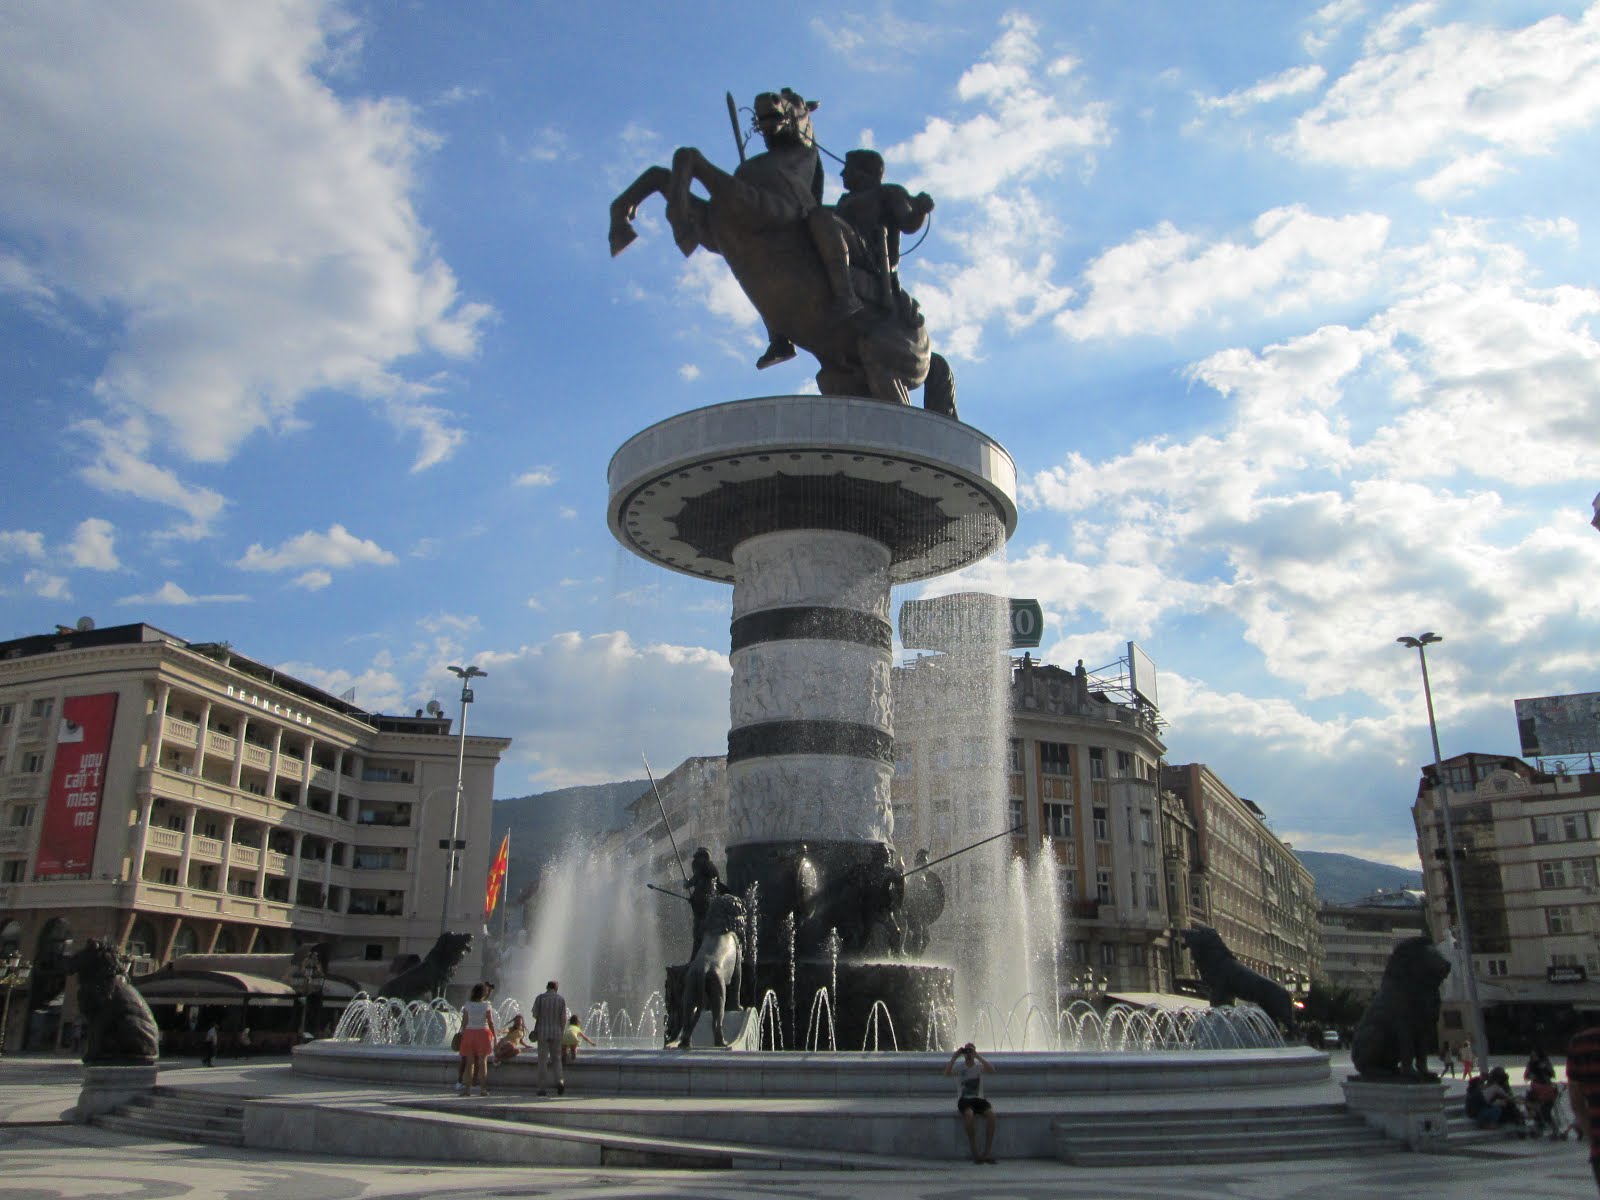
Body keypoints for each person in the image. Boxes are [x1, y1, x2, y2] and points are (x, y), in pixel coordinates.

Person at [758, 149, 934, 369]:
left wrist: (920, 211)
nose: (842, 174)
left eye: (848, 168)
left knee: (820, 216)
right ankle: (779, 336)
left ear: (864, 172)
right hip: (844, 249)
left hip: (868, 257)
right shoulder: (845, 201)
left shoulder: (888, 193)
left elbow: (908, 223)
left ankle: (846, 296)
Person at [943, 1041, 997, 1164]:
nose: (968, 1054)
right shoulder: (960, 1067)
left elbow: (992, 1070)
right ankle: (975, 1152)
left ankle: (987, 1153)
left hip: (979, 1099)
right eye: (966, 1051)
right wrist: (954, 1057)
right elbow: (946, 1073)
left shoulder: (979, 1067)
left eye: (970, 1051)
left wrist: (977, 1056)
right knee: (969, 1114)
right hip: (964, 1100)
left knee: (992, 1116)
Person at [455, 982, 497, 1097]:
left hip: (469, 1034)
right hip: (483, 1033)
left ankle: (467, 1089)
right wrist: (495, 1036)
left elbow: (464, 1022)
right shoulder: (487, 1006)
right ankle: (483, 1089)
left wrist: (462, 1034)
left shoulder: (467, 1005)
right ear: (483, 993)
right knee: (482, 1063)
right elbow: (490, 1022)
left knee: (469, 1064)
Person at [531, 980, 569, 1097]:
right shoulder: (560, 999)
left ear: (547, 987)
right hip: (556, 1033)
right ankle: (560, 1081)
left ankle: (542, 1088)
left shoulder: (540, 998)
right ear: (556, 988)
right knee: (556, 1059)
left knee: (542, 1061)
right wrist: (561, 1031)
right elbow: (563, 1019)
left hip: (542, 1032)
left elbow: (535, 1014)